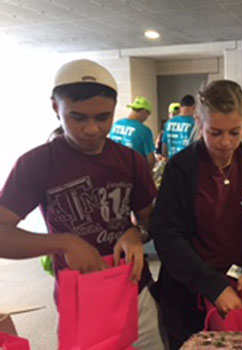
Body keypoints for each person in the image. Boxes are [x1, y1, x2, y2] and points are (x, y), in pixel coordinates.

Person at [0, 59, 161, 349]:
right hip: (81, 298)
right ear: (55, 108)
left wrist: (138, 233)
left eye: (103, 117)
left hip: (134, 292)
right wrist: (64, 243)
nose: (92, 129)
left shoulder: (129, 160)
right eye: (77, 117)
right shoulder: (37, 163)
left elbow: (149, 219)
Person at [151, 80, 242, 350]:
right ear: (199, 121)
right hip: (188, 289)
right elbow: (167, 235)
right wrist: (211, 285)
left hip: (238, 289)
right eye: (215, 133)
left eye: (234, 132)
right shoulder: (181, 168)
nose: (225, 143)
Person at [109, 96, 156, 170]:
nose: (147, 118)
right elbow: (150, 160)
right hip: (134, 171)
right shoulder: (144, 130)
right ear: (144, 111)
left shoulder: (116, 124)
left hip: (115, 168)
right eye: (148, 114)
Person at [162, 94, 196, 158]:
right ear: (194, 107)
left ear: (181, 107)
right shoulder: (195, 123)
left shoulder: (168, 123)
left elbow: (164, 148)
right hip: (188, 162)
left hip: (172, 162)